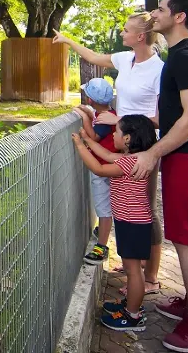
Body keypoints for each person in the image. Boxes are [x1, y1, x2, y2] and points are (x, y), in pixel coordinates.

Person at [129, 0, 188, 352]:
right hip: (185, 156)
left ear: (179, 16)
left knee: (185, 238)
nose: (154, 14)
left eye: (162, 9)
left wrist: (153, 152)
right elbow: (174, 110)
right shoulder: (181, 53)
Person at [53, 13, 164, 294]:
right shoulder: (125, 60)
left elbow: (163, 119)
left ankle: (149, 277)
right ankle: (133, 264)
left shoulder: (160, 70)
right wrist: (67, 41)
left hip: (144, 148)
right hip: (120, 144)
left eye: (126, 31)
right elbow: (93, 56)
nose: (122, 34)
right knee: (126, 208)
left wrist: (122, 120)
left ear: (140, 37)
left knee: (145, 209)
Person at [72, 114, 158, 332]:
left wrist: (80, 147)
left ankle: (133, 315)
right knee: (131, 268)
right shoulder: (134, 156)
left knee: (132, 271)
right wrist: (87, 139)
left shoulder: (130, 162)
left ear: (128, 138)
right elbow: (108, 154)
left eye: (117, 132)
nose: (113, 135)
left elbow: (100, 169)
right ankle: (132, 305)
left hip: (132, 223)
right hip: (130, 222)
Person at [73, 78, 117, 265]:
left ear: (91, 99)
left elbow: (95, 137)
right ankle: (104, 230)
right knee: (105, 206)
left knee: (103, 209)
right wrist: (89, 114)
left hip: (102, 169)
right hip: (107, 165)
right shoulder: (110, 113)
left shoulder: (105, 119)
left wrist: (84, 119)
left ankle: (101, 247)